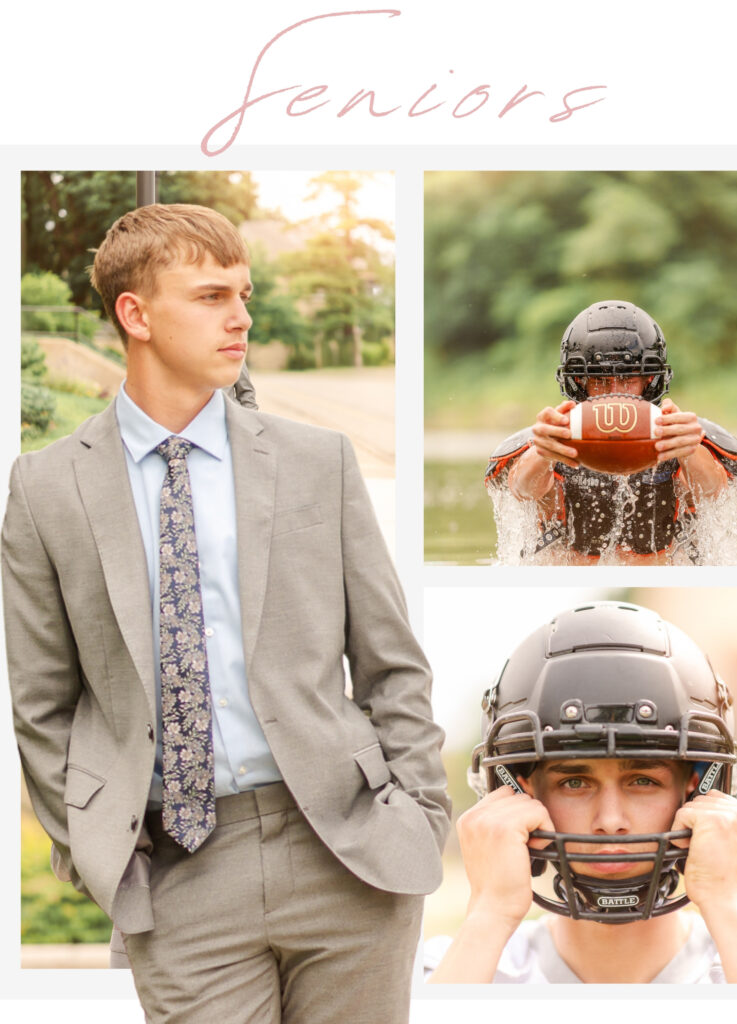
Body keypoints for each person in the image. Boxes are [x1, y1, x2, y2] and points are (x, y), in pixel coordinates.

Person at [3, 203, 450, 1023]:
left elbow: (390, 662)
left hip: (347, 851)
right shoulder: (45, 488)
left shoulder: (317, 461)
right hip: (178, 870)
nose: (240, 317)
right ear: (135, 314)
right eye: (211, 296)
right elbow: (41, 703)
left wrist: (416, 814)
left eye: (243, 294)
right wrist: (98, 853)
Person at [425, 602, 737, 984]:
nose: (611, 821)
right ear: (521, 794)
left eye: (643, 781)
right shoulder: (449, 967)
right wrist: (488, 914)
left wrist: (732, 909)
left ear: (696, 791)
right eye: (574, 783)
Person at [485, 300, 737, 564]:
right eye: (600, 380)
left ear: (649, 379)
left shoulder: (675, 437)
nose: (614, 393)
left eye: (627, 379)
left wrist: (690, 450)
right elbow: (521, 490)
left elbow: (714, 491)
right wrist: (542, 453)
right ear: (579, 381)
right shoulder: (557, 440)